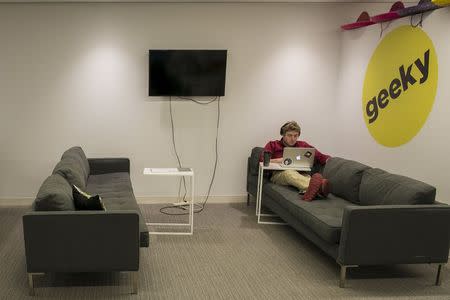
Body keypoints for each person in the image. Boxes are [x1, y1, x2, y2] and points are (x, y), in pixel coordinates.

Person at [260, 121, 330, 201]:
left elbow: (320, 156)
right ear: (283, 135)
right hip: (278, 174)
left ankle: (308, 191)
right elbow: (262, 160)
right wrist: (280, 160)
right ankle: (320, 187)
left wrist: (330, 160)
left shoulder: (303, 145)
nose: (293, 139)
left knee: (306, 177)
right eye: (289, 135)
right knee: (289, 173)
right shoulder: (273, 145)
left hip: (300, 173)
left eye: (295, 136)